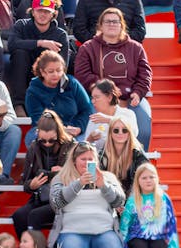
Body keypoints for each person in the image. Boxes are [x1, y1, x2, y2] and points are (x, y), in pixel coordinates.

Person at [73, 7, 152, 147]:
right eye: (107, 21)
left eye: (115, 21)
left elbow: (145, 74)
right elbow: (82, 75)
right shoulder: (87, 48)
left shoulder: (136, 48)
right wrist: (108, 93)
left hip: (130, 98)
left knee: (144, 130)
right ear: (100, 25)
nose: (111, 24)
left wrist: (138, 93)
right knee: (95, 132)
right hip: (100, 98)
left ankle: (138, 163)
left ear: (122, 25)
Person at [50, 140, 127, 248]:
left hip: (104, 231)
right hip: (72, 231)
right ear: (74, 161)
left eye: (90, 159)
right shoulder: (61, 177)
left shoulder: (108, 178)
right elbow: (56, 203)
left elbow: (120, 201)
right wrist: (79, 183)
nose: (86, 163)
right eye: (83, 159)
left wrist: (103, 185)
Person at [120, 162, 179, 248]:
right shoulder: (133, 200)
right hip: (137, 236)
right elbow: (125, 223)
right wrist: (123, 243)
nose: (148, 180)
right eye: (144, 178)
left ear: (157, 179)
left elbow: (171, 222)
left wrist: (173, 245)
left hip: (157, 236)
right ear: (138, 181)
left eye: (151, 177)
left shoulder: (163, 198)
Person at [12, 108, 71, 236]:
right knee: (19, 216)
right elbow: (26, 183)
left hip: (64, 197)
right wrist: (32, 185)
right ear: (38, 135)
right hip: (41, 196)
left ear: (59, 134)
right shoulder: (34, 147)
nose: (47, 144)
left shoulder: (71, 146)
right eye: (43, 140)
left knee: (35, 215)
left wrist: (65, 171)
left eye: (51, 140)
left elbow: (80, 174)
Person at [9, 0, 72, 106]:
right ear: (33, 12)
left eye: (46, 12)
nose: (43, 15)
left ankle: (50, 101)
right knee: (19, 53)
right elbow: (12, 44)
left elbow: (63, 66)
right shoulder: (21, 25)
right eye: (39, 11)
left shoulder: (60, 35)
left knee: (55, 63)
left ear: (53, 14)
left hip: (47, 75)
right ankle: (18, 104)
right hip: (23, 72)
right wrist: (40, 43)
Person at [25, 49, 90, 144]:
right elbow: (38, 118)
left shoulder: (72, 83)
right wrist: (61, 130)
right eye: (51, 71)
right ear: (42, 72)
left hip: (74, 129)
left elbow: (87, 109)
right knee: (34, 139)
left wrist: (79, 128)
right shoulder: (33, 91)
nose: (55, 74)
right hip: (47, 130)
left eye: (59, 70)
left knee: (81, 145)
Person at [85, 78, 138, 151]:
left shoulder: (128, 114)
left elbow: (134, 133)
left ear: (109, 97)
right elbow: (85, 148)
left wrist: (109, 120)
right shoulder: (94, 118)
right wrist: (90, 140)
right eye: (92, 98)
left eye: (97, 97)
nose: (93, 101)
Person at [98, 115, 148, 193]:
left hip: (133, 201)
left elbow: (146, 180)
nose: (120, 133)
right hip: (108, 199)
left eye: (124, 130)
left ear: (129, 133)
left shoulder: (138, 156)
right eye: (116, 130)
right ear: (110, 133)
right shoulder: (101, 156)